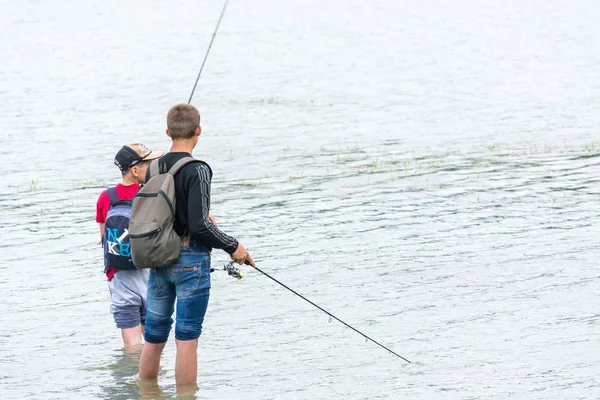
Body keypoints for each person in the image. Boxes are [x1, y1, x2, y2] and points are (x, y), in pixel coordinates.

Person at [138, 104, 255, 385]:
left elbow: (157, 212)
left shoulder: (153, 166)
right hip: (190, 261)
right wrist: (233, 246)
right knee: (187, 338)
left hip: (158, 259)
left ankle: (145, 392)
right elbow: (200, 227)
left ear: (167, 132)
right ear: (199, 131)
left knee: (153, 336)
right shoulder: (198, 170)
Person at [96, 143, 163, 349]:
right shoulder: (153, 194)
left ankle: (131, 380)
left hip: (119, 276)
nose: (153, 167)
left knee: (132, 345)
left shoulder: (105, 197)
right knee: (153, 344)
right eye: (148, 164)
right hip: (148, 275)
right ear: (135, 170)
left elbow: (103, 239)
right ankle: (152, 379)